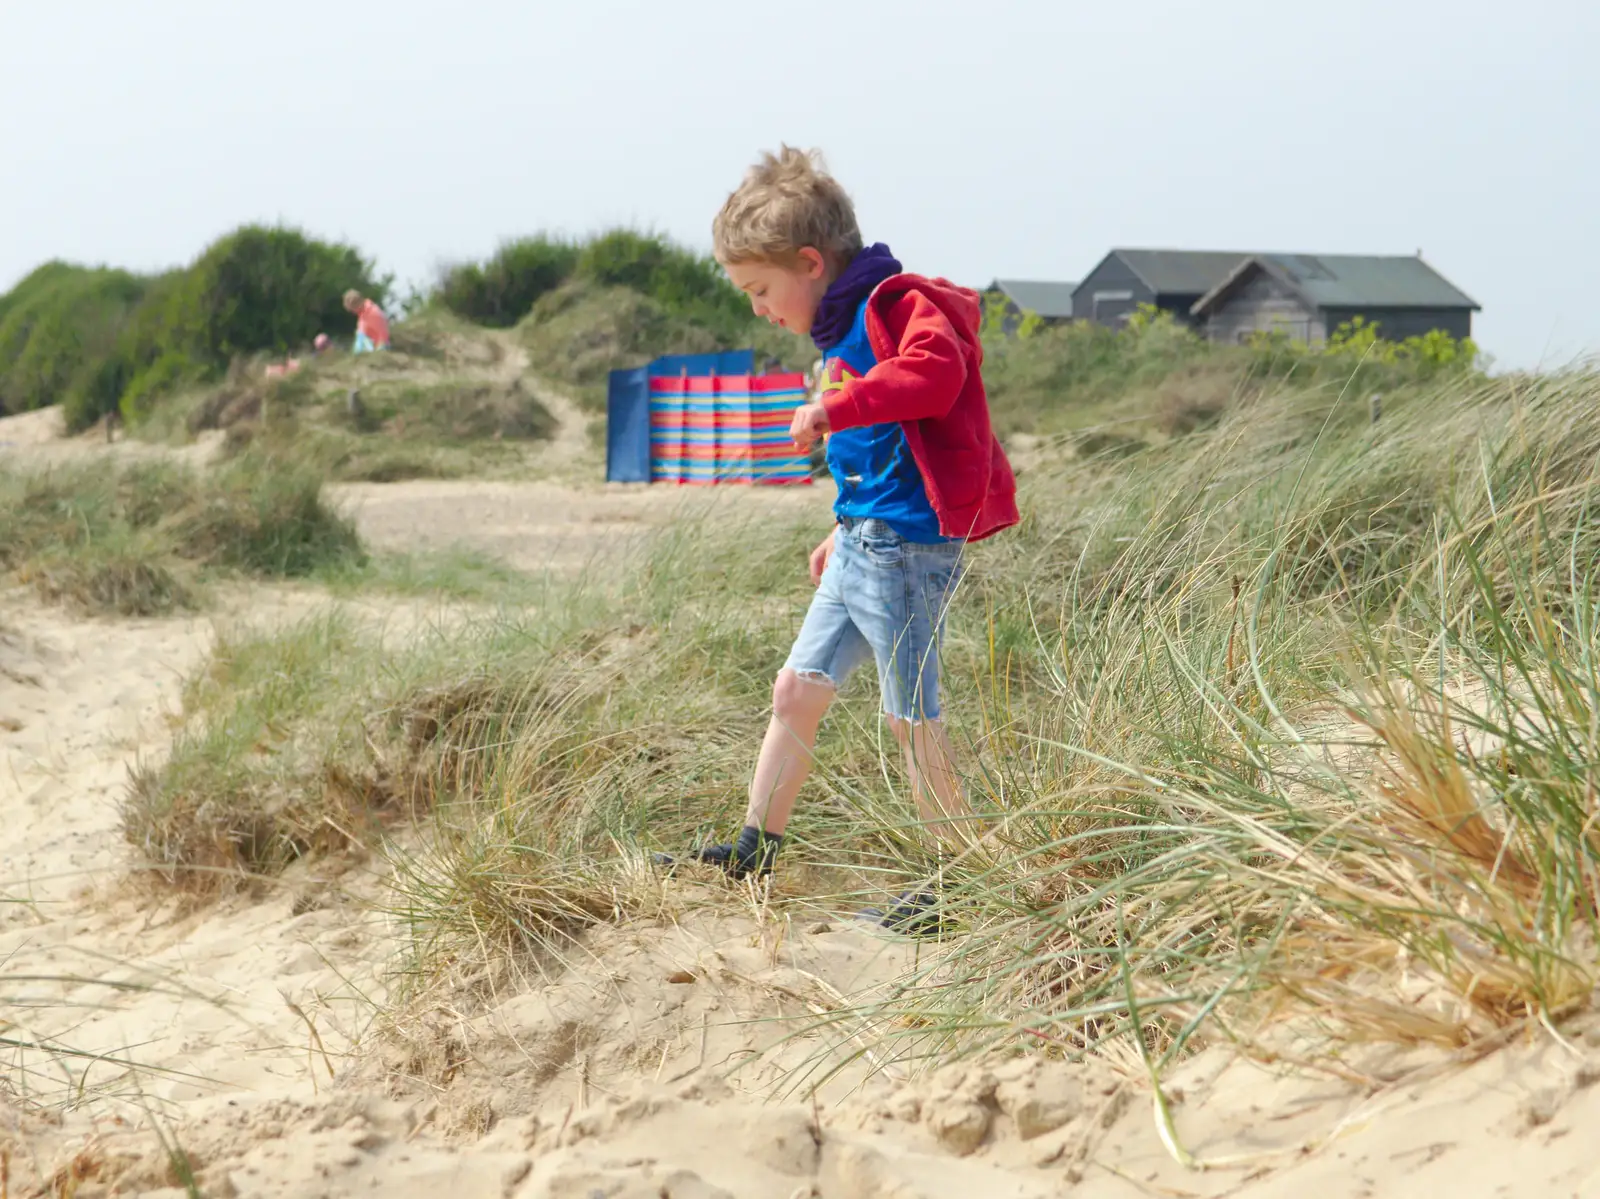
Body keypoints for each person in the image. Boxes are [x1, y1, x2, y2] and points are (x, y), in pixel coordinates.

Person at [673, 146, 1018, 931]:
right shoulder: (836, 335)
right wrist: (839, 521)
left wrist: (835, 406)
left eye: (762, 290)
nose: (759, 308)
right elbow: (875, 452)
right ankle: (754, 848)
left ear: (810, 262)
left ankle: (957, 879)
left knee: (911, 717)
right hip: (862, 538)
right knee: (796, 689)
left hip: (906, 549)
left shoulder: (896, 307)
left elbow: (935, 379)